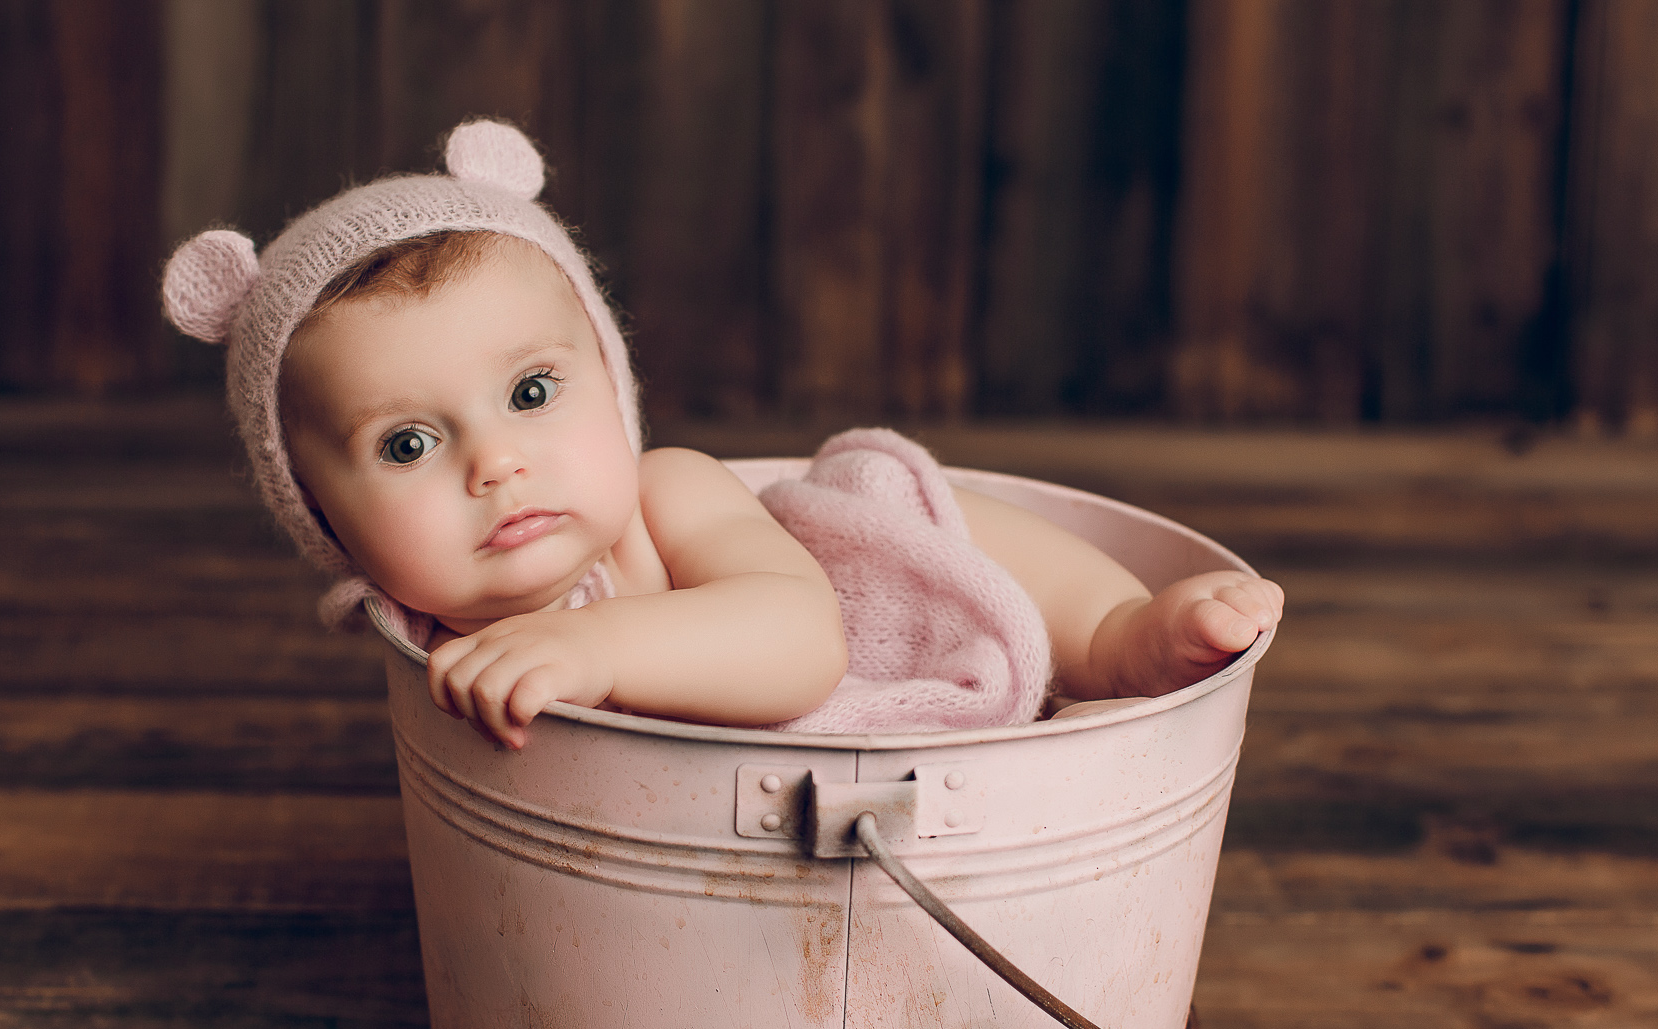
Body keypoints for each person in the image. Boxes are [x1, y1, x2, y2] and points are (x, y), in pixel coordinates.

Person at [163, 121, 1281, 749]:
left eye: (533, 393)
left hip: (887, 639)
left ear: (613, 386)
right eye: (407, 446)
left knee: (888, 510)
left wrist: (591, 652)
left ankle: (1118, 636)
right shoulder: (412, 630)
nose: (494, 463)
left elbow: (799, 643)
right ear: (319, 516)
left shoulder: (665, 494)